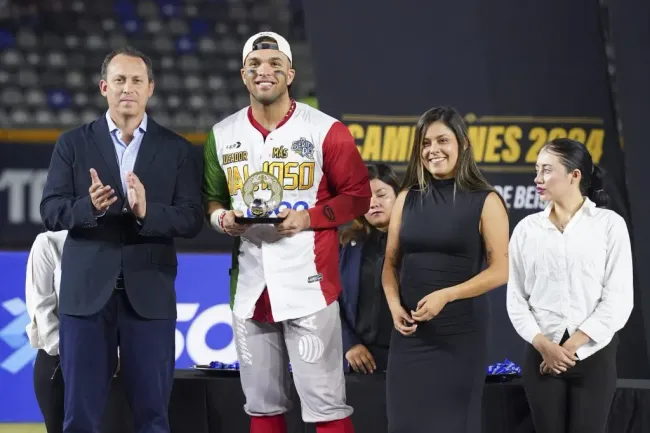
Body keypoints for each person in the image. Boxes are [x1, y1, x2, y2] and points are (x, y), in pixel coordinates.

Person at [203, 31, 370, 433]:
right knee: (261, 406)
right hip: (250, 288)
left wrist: (310, 218)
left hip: (308, 284)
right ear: (243, 75)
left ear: (290, 73)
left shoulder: (327, 130)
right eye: (256, 65)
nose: (265, 71)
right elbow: (211, 199)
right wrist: (222, 220)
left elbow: (358, 197)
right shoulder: (221, 134)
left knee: (326, 405)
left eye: (275, 64)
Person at [39, 46, 204, 433]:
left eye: (135, 80)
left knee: (152, 417)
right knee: (80, 418)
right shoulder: (72, 144)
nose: (126, 88)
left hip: (149, 296)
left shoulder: (177, 149)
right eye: (118, 80)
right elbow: (50, 210)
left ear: (151, 88)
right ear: (103, 87)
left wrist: (148, 212)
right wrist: (89, 207)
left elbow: (192, 218)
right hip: (85, 298)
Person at [381, 106, 510, 433]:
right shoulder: (407, 197)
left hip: (460, 339)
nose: (432, 150)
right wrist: (395, 305)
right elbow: (390, 263)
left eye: (442, 140)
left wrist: (447, 296)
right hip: (410, 340)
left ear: (463, 144)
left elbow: (501, 270)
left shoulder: (486, 200)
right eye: (425, 143)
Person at [506, 138, 633, 433]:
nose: (537, 179)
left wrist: (569, 348)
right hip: (541, 358)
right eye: (537, 170)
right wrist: (544, 347)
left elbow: (619, 300)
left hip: (594, 356)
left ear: (574, 175)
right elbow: (516, 300)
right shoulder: (526, 230)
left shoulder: (609, 225)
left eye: (547, 170)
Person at [338, 163, 400, 374]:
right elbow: (329, 300)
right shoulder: (347, 244)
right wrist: (349, 344)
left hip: (407, 359)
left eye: (381, 195)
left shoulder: (418, 243)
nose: (373, 203)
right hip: (358, 362)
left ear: (399, 196)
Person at [25, 230, 67, 433]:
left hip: (109, 363)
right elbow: (41, 311)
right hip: (57, 362)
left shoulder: (114, 242)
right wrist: (77, 354)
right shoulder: (49, 242)